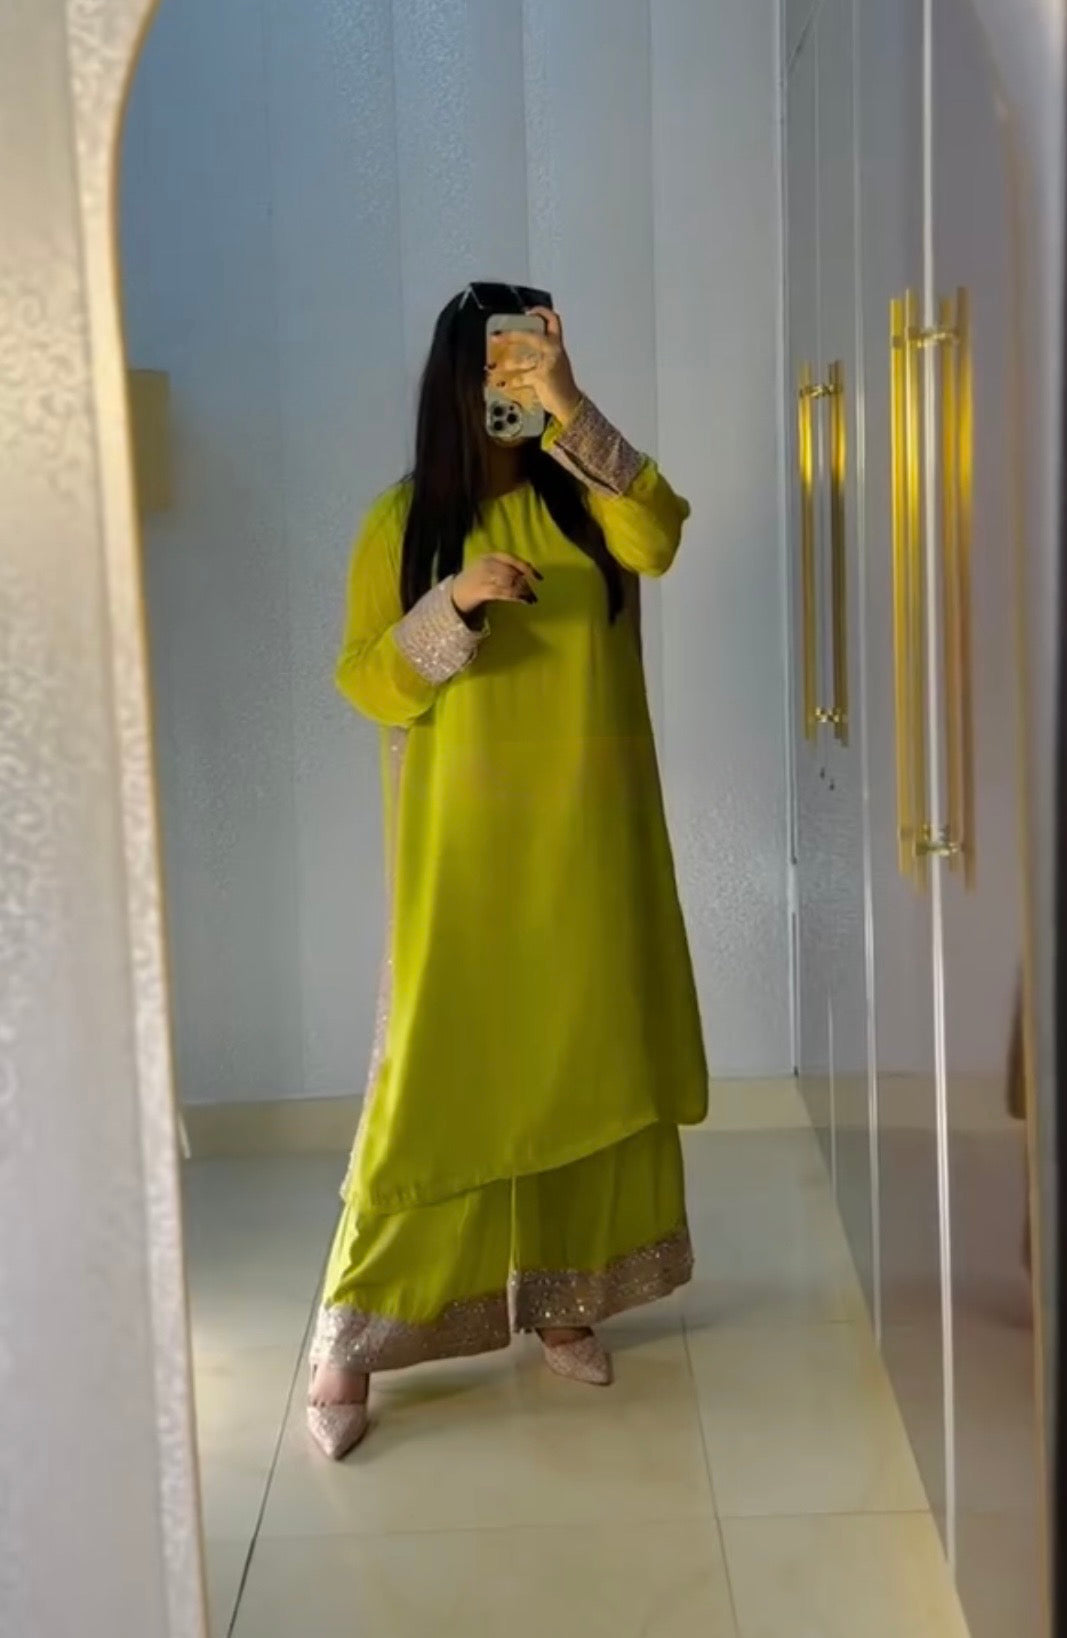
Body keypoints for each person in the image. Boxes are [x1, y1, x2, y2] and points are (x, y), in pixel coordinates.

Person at [307, 282, 709, 1460]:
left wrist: (571, 406)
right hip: (465, 859)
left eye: (530, 353)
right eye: (498, 359)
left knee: (587, 1057)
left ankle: (564, 1297)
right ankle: (351, 1340)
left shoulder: (586, 500)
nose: (513, 375)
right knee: (439, 1088)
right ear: (457, 376)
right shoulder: (403, 524)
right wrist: (456, 600)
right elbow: (366, 681)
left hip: (591, 843)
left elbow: (659, 535)